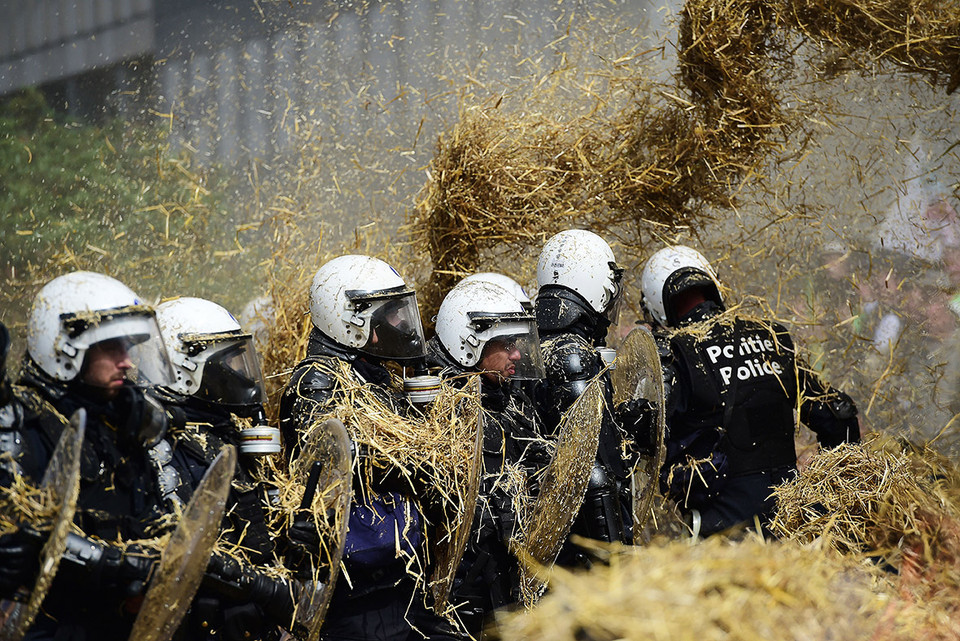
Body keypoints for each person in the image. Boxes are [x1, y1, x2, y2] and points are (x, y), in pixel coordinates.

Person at [278, 255, 462, 641]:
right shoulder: (319, 381)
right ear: (351, 319)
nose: (399, 323)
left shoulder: (378, 378)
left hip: (401, 579)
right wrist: (419, 464)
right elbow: (344, 458)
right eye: (389, 313)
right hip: (354, 586)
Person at [640, 245, 861, 538]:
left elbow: (641, 446)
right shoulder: (771, 336)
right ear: (712, 284)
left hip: (721, 537)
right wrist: (834, 498)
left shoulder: (674, 355)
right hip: (794, 524)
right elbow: (838, 412)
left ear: (655, 305)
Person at [0, 271, 175, 640]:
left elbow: (150, 518)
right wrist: (110, 563)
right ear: (65, 348)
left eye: (129, 348)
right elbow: (22, 532)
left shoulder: (120, 426)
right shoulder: (20, 422)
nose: (127, 361)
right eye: (112, 348)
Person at [153, 296, 301, 640]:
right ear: (183, 367)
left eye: (241, 358)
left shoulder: (227, 433)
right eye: (228, 362)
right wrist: (262, 588)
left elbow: (259, 530)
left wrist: (295, 529)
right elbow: (181, 552)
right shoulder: (159, 444)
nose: (240, 374)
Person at [429, 278, 549, 636]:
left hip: (508, 587)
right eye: (505, 344)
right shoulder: (438, 412)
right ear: (468, 342)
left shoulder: (512, 401)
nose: (517, 354)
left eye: (517, 343)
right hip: (461, 596)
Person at [533, 230, 649, 548]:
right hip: (582, 543)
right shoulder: (572, 353)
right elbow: (593, 470)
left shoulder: (529, 343)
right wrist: (615, 553)